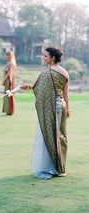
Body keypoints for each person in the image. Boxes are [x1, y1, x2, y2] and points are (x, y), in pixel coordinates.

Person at [21, 47, 70, 179]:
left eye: (46, 56)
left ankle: (49, 169)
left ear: (52, 58)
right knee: (60, 137)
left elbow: (38, 89)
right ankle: (59, 168)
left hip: (50, 107)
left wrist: (27, 86)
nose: (44, 58)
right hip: (62, 107)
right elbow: (66, 94)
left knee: (48, 136)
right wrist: (68, 109)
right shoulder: (64, 72)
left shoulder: (46, 73)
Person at [2, 50, 16, 115]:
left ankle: (9, 111)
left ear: (9, 56)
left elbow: (9, 74)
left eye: (6, 55)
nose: (5, 57)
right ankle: (8, 110)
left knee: (8, 95)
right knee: (7, 95)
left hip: (8, 81)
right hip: (8, 81)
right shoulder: (10, 63)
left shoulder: (11, 63)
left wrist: (4, 81)